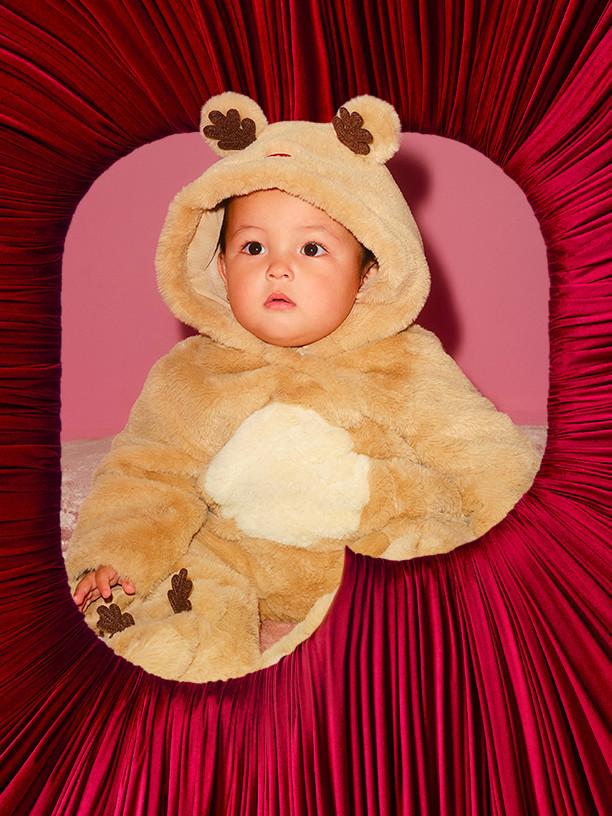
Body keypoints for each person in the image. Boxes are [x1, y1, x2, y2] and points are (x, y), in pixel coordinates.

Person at [65, 92, 540, 682]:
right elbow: (147, 474)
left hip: (380, 539)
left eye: (312, 248)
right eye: (253, 247)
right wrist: (116, 555)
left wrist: (533, 555)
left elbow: (481, 454)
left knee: (432, 570)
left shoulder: (407, 363)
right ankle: (191, 723)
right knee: (181, 598)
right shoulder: (190, 374)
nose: (277, 267)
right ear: (219, 269)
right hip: (242, 554)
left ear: (368, 273)